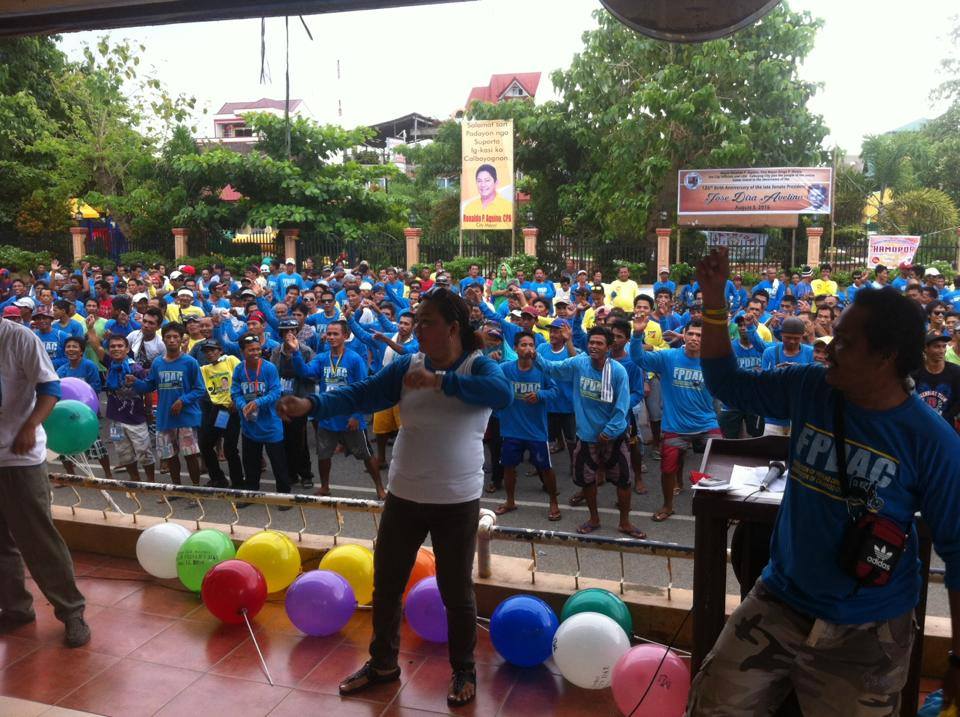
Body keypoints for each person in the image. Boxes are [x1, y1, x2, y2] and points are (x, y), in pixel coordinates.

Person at [688, 246, 960, 716]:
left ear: (886, 357)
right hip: (779, 600)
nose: (829, 348)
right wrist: (714, 302)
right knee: (709, 706)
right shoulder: (811, 388)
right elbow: (727, 383)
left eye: (846, 343)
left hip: (868, 631)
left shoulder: (932, 442)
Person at [276, 288, 512, 706]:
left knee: (456, 592)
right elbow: (361, 393)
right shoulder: (408, 364)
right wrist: (311, 404)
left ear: (453, 328)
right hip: (404, 495)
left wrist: (441, 381)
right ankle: (383, 663)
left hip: (456, 499)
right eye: (416, 321)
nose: (418, 329)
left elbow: (501, 395)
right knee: (386, 585)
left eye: (427, 322)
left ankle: (463, 670)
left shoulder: (478, 366)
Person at [0, 318, 90, 647]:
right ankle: (16, 608)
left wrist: (30, 426)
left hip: (19, 457)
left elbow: (50, 389)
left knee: (38, 539)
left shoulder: (19, 338)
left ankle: (72, 611)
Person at [536, 325, 645, 539]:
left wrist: (609, 431)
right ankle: (594, 519)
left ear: (609, 347)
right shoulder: (580, 363)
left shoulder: (618, 371)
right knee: (587, 480)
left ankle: (625, 522)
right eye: (591, 342)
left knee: (623, 481)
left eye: (599, 343)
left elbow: (622, 407)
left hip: (613, 437)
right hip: (586, 437)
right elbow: (552, 369)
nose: (594, 346)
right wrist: (535, 356)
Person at [630, 318, 720, 522]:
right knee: (667, 469)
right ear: (684, 335)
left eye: (699, 335)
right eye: (691, 334)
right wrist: (636, 335)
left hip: (707, 424)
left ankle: (715, 508)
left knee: (720, 463)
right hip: (675, 426)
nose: (694, 338)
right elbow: (638, 358)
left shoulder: (713, 362)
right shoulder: (668, 357)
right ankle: (668, 506)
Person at [288, 321, 385, 499]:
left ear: (345, 336)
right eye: (329, 334)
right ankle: (325, 487)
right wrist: (295, 352)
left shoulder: (354, 359)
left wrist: (356, 415)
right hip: (328, 416)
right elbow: (306, 372)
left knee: (366, 454)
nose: (331, 337)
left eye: (335, 334)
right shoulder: (322, 358)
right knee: (324, 454)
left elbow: (364, 389)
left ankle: (380, 488)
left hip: (350, 417)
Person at [494, 331, 562, 521]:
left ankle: (554, 502)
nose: (528, 348)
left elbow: (555, 391)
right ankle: (510, 501)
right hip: (511, 429)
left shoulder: (542, 369)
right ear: (515, 348)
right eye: (523, 345)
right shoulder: (505, 368)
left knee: (546, 468)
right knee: (508, 467)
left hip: (536, 431)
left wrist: (540, 395)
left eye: (531, 345)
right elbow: (491, 384)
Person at [128, 323, 205, 489]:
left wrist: (183, 401)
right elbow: (149, 385)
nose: (172, 340)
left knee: (190, 455)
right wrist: (135, 382)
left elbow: (200, 389)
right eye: (168, 337)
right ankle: (176, 489)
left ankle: (195, 489)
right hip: (165, 417)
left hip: (186, 417)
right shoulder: (158, 363)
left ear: (181, 339)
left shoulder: (190, 362)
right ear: (163, 339)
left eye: (175, 337)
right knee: (170, 456)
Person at [231, 334, 290, 504]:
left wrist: (257, 402)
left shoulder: (269, 368)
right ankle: (251, 494)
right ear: (242, 351)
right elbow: (235, 392)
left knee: (278, 463)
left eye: (258, 349)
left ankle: (284, 496)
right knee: (250, 463)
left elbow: (276, 392)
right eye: (251, 350)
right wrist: (243, 405)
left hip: (271, 424)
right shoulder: (239, 369)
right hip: (250, 425)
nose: (256, 352)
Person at [102, 335, 156, 483]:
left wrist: (148, 410)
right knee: (123, 453)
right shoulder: (109, 364)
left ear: (127, 349)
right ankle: (134, 479)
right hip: (115, 419)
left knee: (144, 451)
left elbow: (147, 391)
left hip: (136, 418)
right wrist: (90, 329)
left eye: (120, 346)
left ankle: (151, 482)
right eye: (113, 346)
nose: (116, 349)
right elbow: (95, 345)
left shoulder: (136, 368)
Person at [197, 339, 243, 489]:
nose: (210, 353)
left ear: (220, 351)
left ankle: (238, 483)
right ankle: (218, 478)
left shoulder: (231, 360)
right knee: (206, 444)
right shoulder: (205, 369)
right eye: (207, 351)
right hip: (219, 412)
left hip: (233, 409)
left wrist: (237, 400)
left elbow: (243, 377)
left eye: (213, 350)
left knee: (230, 448)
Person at [759, 317, 814, 436]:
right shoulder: (770, 352)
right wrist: (776, 372)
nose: (792, 341)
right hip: (774, 416)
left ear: (802, 336)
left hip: (799, 415)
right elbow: (763, 383)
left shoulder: (810, 352)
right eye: (788, 337)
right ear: (781, 334)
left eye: (796, 338)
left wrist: (799, 371)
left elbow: (814, 382)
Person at [911, 333, 960, 427]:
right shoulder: (915, 373)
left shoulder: (956, 372)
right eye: (937, 346)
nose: (942, 350)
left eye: (944, 346)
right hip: (919, 423)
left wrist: (945, 417)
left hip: (945, 425)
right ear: (925, 348)